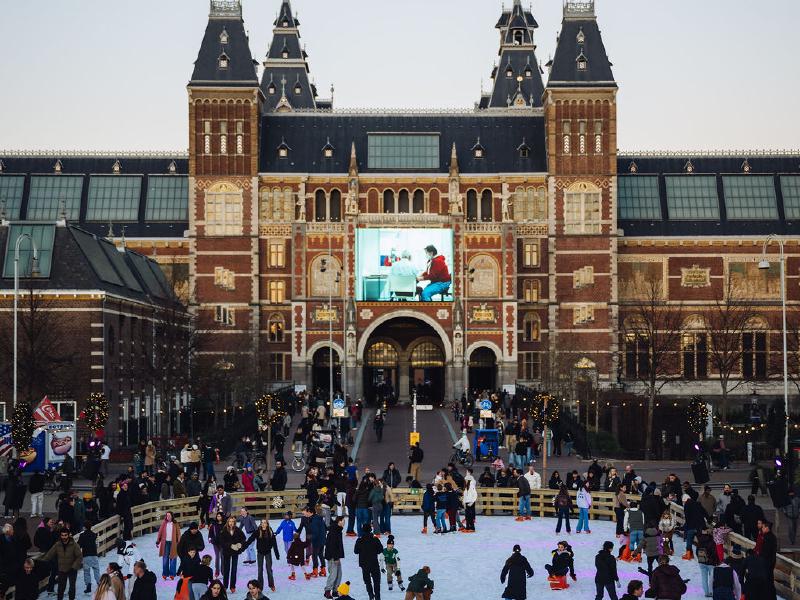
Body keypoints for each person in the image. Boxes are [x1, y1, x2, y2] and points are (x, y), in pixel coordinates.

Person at [41, 528, 83, 600]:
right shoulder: (57, 545)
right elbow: (49, 554)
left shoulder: (74, 545)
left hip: (72, 569)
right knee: (61, 587)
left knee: (72, 587)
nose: (64, 537)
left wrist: (74, 566)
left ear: (68, 535)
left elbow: (79, 556)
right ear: (60, 536)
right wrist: (42, 562)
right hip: (62, 569)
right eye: (62, 535)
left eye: (65, 535)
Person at [245, 519, 279, 593]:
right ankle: (260, 586)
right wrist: (244, 545)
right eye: (262, 523)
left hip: (268, 553)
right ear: (260, 524)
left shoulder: (270, 531)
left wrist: (277, 554)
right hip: (260, 553)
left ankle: (271, 584)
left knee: (269, 569)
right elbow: (251, 539)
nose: (263, 524)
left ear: (267, 524)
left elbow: (274, 543)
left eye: (264, 523)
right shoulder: (257, 531)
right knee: (260, 570)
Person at [354, 524, 384, 600]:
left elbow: (356, 551)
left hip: (364, 564)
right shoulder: (375, 539)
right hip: (374, 563)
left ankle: (370, 594)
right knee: (376, 581)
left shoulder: (360, 540)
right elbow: (380, 549)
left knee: (367, 581)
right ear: (371, 530)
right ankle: (377, 597)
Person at [217, 515, 246, 592]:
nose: (231, 523)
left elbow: (243, 538)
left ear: (235, 522)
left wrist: (240, 544)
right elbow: (221, 542)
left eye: (233, 522)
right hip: (227, 552)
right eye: (230, 521)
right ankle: (225, 586)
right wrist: (230, 545)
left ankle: (232, 586)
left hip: (235, 552)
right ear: (227, 522)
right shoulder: (224, 530)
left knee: (234, 569)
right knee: (226, 570)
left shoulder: (237, 530)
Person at [323, 515, 345, 599]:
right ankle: (327, 591)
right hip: (332, 556)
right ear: (339, 521)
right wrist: (336, 558)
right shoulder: (334, 530)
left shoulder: (338, 530)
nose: (344, 523)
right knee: (333, 574)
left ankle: (335, 590)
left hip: (336, 556)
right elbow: (332, 546)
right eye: (343, 521)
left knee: (339, 574)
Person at [156, 511, 180, 580]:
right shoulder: (164, 523)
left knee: (173, 558)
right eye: (167, 516)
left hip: (173, 543)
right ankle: (165, 574)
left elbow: (178, 533)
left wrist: (179, 542)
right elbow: (160, 532)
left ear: (172, 516)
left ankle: (172, 574)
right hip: (165, 543)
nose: (168, 517)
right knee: (165, 558)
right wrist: (158, 541)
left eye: (169, 515)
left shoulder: (175, 523)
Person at [78, 523, 100, 594]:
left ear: (84, 527)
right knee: (96, 570)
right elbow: (97, 544)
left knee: (86, 571)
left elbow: (79, 545)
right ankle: (99, 584)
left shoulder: (82, 535)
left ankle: (88, 586)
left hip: (86, 555)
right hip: (94, 554)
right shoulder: (94, 534)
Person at [208, 512, 226, 578]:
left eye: (220, 516)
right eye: (218, 516)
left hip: (223, 543)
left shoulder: (225, 524)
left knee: (223, 557)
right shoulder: (214, 525)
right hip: (215, 543)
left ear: (222, 517)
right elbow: (210, 533)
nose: (219, 517)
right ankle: (217, 572)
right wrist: (210, 538)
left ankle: (223, 572)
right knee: (217, 557)